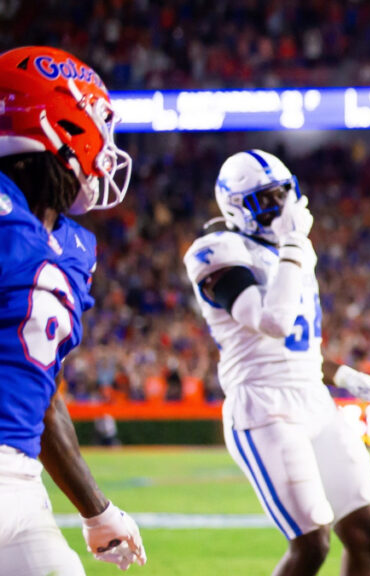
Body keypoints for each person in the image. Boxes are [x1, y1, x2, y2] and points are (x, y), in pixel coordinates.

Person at [183, 149, 370, 576]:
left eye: (283, 193)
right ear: (236, 208)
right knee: (312, 543)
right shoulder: (218, 249)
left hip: (312, 398)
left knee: (365, 531)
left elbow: (299, 349)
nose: (280, 206)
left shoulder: (297, 251)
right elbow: (272, 322)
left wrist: (347, 376)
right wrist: (294, 244)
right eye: (266, 199)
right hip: (262, 406)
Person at [0, 47, 146, 574]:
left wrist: (97, 511)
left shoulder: (75, 248)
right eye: (98, 126)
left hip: (22, 483)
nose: (105, 149)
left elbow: (43, 394)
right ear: (55, 122)